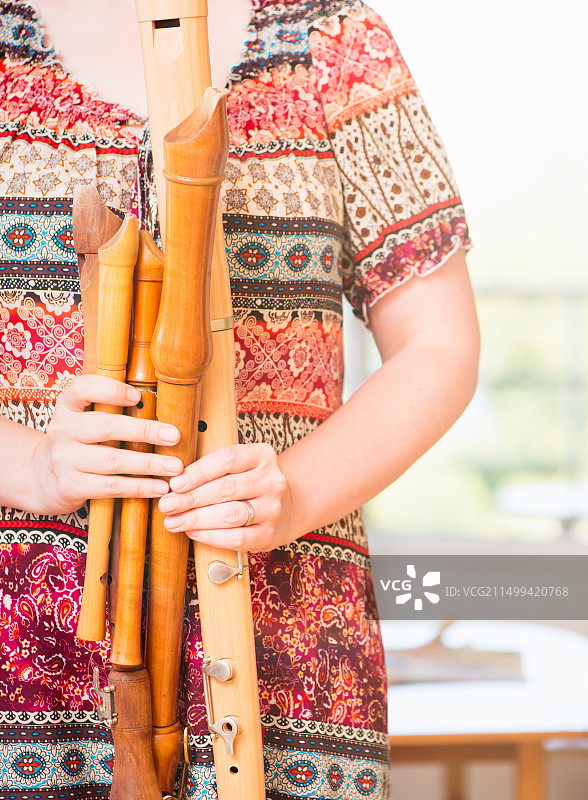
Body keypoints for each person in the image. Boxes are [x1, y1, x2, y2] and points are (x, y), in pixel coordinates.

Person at [0, 0, 479, 797]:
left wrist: (293, 495)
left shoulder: (331, 35)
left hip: (284, 645)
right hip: (26, 652)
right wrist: (31, 466)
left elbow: (440, 345)